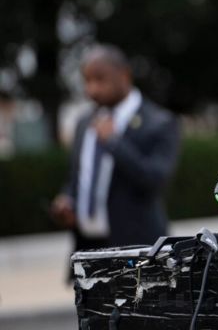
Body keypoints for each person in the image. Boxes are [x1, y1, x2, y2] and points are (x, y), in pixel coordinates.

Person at [51, 44, 181, 256]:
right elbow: (79, 178)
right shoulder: (85, 122)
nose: (92, 90)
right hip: (88, 248)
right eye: (87, 81)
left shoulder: (160, 122)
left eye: (100, 80)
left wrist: (114, 142)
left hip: (139, 249)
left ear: (124, 76)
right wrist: (68, 199)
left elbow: (156, 180)